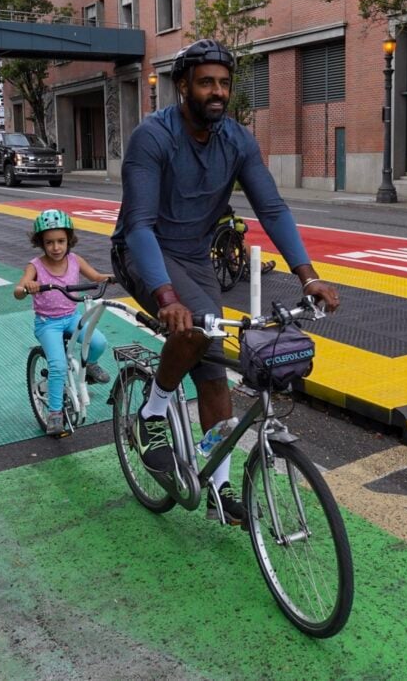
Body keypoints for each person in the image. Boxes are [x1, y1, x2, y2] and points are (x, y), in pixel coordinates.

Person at [110, 39, 340, 527]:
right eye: (206, 82)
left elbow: (272, 208)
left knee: (214, 373)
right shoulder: (152, 138)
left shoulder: (236, 140)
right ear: (183, 86)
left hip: (194, 258)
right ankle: (152, 414)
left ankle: (217, 487)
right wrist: (165, 295)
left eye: (224, 83)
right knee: (192, 327)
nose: (217, 92)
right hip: (141, 251)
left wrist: (308, 275)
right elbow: (139, 226)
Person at [15, 209, 112, 437]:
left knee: (99, 342)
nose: (56, 247)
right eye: (49, 242)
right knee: (57, 366)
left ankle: (92, 366)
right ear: (41, 243)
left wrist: (114, 277)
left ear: (69, 240)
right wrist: (26, 287)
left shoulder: (74, 260)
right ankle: (55, 413)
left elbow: (96, 277)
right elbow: (18, 290)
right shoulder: (35, 266)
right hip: (48, 323)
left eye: (61, 241)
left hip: (72, 317)